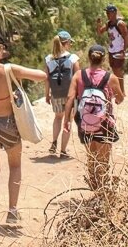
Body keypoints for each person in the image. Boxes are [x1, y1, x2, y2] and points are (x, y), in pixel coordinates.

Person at [0, 29, 48, 230]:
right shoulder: (8, 69)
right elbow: (41, 76)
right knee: (15, 166)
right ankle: (12, 211)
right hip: (7, 123)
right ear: (1, 49)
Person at [62, 44, 125, 190]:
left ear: (89, 58)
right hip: (104, 123)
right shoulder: (111, 78)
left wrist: (66, 120)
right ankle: (102, 192)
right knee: (104, 161)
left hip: (85, 122)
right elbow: (120, 98)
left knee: (92, 157)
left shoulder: (78, 75)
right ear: (103, 60)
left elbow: (70, 98)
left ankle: (93, 187)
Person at [43, 30, 79, 158]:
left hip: (56, 94)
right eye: (70, 43)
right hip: (69, 94)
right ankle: (63, 151)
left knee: (58, 118)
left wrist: (47, 95)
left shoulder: (48, 59)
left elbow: (46, 79)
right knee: (67, 120)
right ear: (67, 43)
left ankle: (54, 142)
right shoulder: (73, 58)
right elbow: (77, 78)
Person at [97, 4, 128, 95]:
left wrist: (124, 50)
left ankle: (122, 91)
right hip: (112, 50)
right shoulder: (108, 24)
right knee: (114, 70)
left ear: (114, 13)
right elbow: (100, 32)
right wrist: (99, 24)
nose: (108, 14)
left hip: (119, 50)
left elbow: (126, 37)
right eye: (107, 12)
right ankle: (118, 91)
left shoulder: (120, 24)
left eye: (109, 12)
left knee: (118, 71)